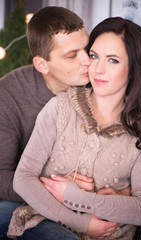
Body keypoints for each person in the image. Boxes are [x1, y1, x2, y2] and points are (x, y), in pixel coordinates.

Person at [9, 16, 141, 239]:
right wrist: (81, 222)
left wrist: (77, 197)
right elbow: (23, 179)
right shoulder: (60, 107)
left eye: (113, 60)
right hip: (45, 224)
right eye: (94, 56)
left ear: (134, 68)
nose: (98, 69)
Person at [0, 6, 119, 240]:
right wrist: (60, 189)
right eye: (72, 55)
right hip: (19, 199)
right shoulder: (10, 92)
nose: (88, 61)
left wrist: (119, 189)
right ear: (42, 64)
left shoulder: (102, 82)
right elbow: (0, 174)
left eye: (87, 48)